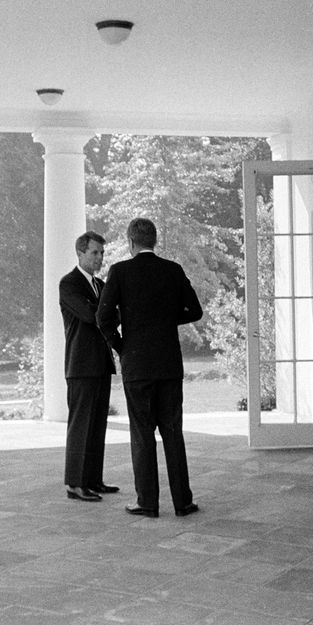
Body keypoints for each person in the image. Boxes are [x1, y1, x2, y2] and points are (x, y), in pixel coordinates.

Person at [96, 217, 202, 518]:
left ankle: (147, 502)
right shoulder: (173, 270)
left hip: (137, 365)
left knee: (142, 434)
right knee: (172, 432)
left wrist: (121, 347)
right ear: (154, 241)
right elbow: (195, 311)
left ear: (131, 242)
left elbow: (103, 319)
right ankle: (183, 502)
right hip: (168, 363)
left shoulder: (120, 271)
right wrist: (165, 320)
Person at [59, 230, 119, 502]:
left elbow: (110, 317)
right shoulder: (69, 283)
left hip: (101, 364)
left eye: (102, 253)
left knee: (97, 425)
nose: (100, 258)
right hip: (81, 365)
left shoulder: (101, 285)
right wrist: (105, 312)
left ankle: (93, 479)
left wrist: (105, 313)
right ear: (80, 253)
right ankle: (75, 484)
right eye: (95, 252)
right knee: (81, 425)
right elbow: (90, 315)